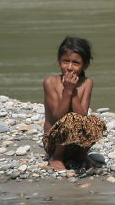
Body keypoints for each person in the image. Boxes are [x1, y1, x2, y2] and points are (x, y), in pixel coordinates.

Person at [43, 36, 106, 171]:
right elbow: (57, 118)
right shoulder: (50, 82)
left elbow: (82, 116)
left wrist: (73, 92)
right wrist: (67, 91)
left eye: (76, 63)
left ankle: (81, 155)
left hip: (76, 143)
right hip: (54, 142)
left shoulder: (87, 83)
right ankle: (57, 158)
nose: (70, 68)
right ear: (59, 61)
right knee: (69, 119)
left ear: (85, 65)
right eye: (66, 61)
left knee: (96, 123)